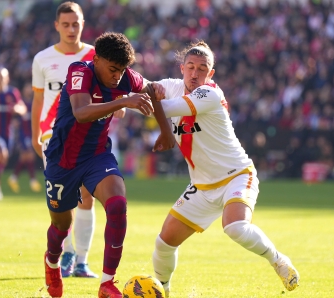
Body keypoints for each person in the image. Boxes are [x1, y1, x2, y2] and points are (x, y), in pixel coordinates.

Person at [150, 41, 300, 297]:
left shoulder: (210, 94)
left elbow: (164, 107)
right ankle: (162, 292)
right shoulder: (173, 86)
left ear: (211, 73)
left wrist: (126, 102)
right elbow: (146, 87)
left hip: (237, 175)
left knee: (234, 227)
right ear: (182, 68)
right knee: (163, 243)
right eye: (190, 67)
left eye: (202, 68)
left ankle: (277, 259)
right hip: (201, 186)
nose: (195, 73)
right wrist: (122, 88)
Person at [42, 32, 174, 298]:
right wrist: (124, 101)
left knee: (117, 204)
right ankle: (52, 262)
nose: (117, 76)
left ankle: (106, 283)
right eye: (113, 69)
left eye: (122, 70)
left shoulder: (126, 77)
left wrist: (166, 130)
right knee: (60, 226)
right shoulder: (80, 71)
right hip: (63, 158)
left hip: (96, 155)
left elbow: (150, 92)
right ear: (97, 59)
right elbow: (80, 113)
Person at [30, 1, 99, 279]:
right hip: (52, 135)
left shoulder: (95, 55)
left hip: (87, 135)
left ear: (83, 24)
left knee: (87, 197)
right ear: (57, 26)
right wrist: (35, 134)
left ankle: (81, 260)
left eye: (76, 24)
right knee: (61, 201)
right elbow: (38, 99)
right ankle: (68, 252)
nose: (71, 29)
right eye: (66, 24)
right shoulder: (43, 59)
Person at [0, 67, 27, 201]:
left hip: (7, 131)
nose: (0, 79)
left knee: (3, 159)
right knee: (2, 154)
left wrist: (17, 109)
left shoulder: (13, 93)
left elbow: (23, 109)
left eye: (2, 77)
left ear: (7, 78)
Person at [7, 82, 42, 193]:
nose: (29, 90)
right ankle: (32, 180)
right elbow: (13, 116)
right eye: (27, 88)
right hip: (23, 134)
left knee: (24, 157)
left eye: (30, 88)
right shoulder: (20, 103)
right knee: (30, 155)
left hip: (31, 133)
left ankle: (14, 178)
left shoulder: (34, 103)